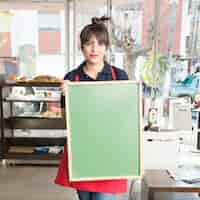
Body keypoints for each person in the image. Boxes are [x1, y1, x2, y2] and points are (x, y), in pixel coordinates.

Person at [55, 16, 129, 200]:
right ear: (82, 48)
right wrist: (67, 96)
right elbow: (67, 122)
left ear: (106, 47)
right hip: (83, 152)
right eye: (89, 44)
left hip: (110, 152)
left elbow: (127, 116)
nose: (94, 49)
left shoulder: (119, 76)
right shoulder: (72, 78)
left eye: (100, 44)